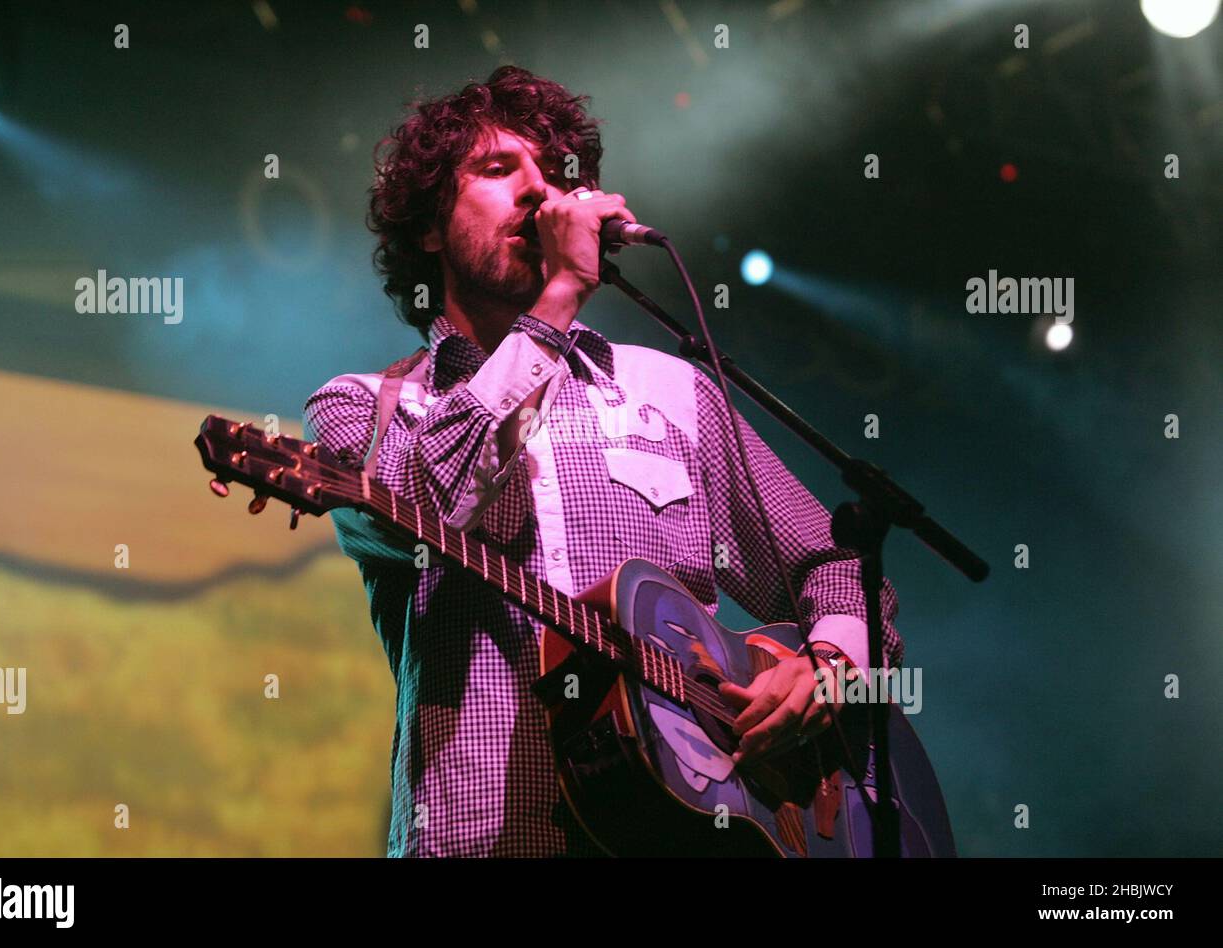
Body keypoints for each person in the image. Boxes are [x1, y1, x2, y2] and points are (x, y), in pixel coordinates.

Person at [303, 66, 903, 857]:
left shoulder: (672, 390)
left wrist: (824, 668)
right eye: (497, 169)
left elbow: (833, 563)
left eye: (556, 176)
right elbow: (438, 497)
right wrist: (558, 300)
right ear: (425, 228)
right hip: (484, 836)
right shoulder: (362, 407)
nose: (539, 195)